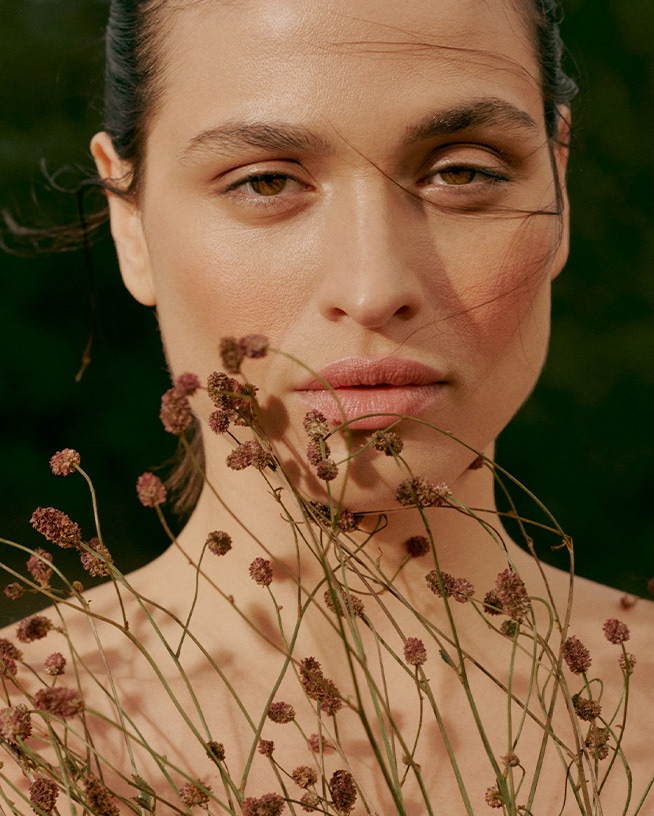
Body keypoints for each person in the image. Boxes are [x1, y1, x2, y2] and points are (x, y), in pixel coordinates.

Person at [1, 1, 652, 814]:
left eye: (463, 171)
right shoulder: (26, 746)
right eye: (265, 181)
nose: (374, 288)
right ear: (130, 220)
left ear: (559, 183)